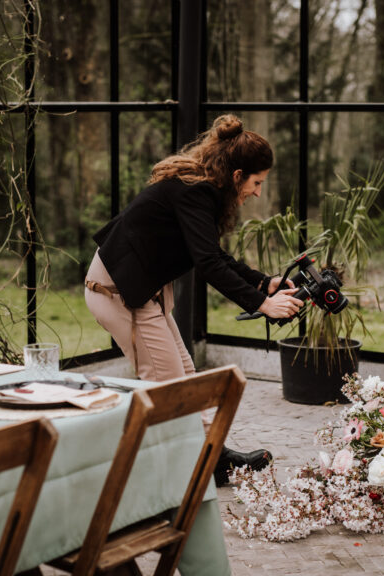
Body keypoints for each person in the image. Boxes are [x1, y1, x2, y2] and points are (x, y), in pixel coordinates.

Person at [85, 114, 303, 485]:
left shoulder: (201, 189)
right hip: (119, 294)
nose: (258, 192)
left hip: (144, 292)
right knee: (170, 387)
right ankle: (181, 472)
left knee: (185, 375)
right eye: (256, 183)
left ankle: (212, 459)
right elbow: (206, 263)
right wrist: (261, 303)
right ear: (237, 176)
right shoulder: (195, 192)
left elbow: (213, 255)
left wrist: (264, 283)